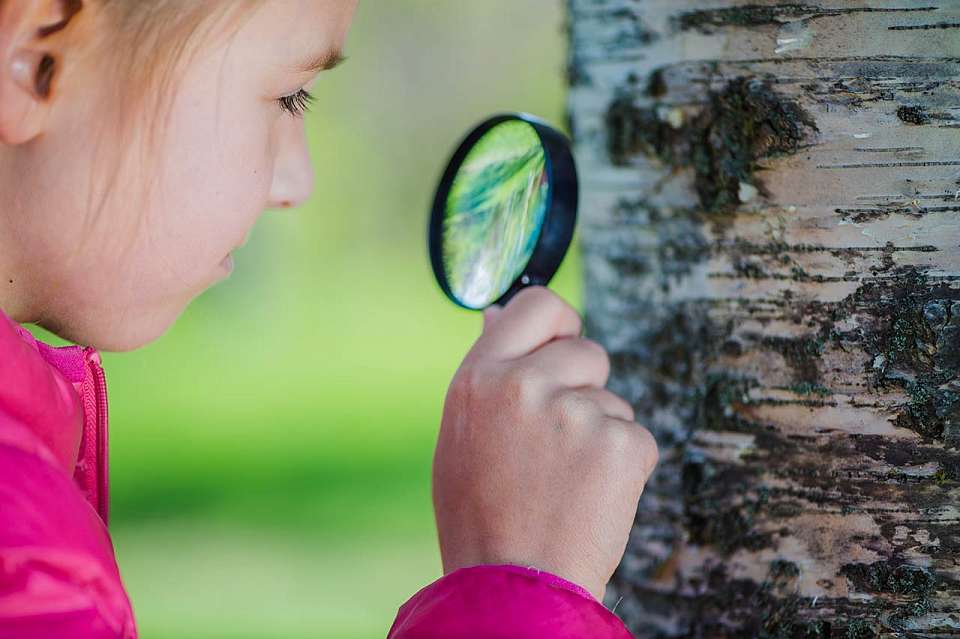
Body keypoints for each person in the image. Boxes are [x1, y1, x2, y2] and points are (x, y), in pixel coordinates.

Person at [0, 1, 660, 637]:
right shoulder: (20, 545)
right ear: (35, 60)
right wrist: (518, 590)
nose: (298, 182)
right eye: (290, 97)